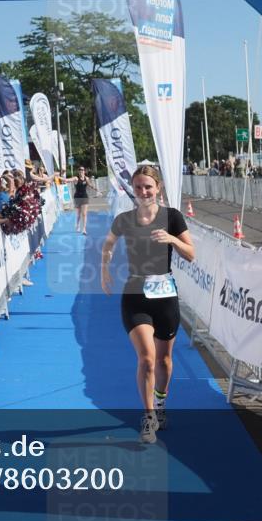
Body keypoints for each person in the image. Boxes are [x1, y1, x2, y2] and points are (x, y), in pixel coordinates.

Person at [100, 166, 196, 445]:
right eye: (138, 187)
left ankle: (161, 403)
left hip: (164, 294)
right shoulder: (125, 219)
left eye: (148, 187)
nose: (143, 192)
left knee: (165, 360)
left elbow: (191, 254)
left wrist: (172, 239)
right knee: (146, 358)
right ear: (133, 189)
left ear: (158, 188)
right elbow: (107, 244)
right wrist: (105, 269)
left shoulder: (173, 217)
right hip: (134, 293)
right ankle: (149, 416)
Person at [68, 166, 95, 235]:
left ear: (84, 171)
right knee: (78, 214)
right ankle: (77, 225)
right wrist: (60, 178)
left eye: (82, 170)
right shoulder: (76, 178)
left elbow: (90, 185)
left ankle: (84, 229)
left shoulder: (86, 178)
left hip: (84, 197)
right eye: (80, 170)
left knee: (84, 214)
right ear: (78, 171)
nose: (81, 171)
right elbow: (68, 180)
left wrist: (94, 188)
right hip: (77, 197)